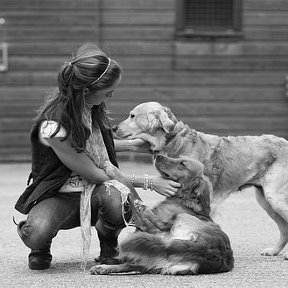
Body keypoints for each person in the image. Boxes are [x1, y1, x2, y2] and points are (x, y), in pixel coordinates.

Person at [14, 43, 181, 270]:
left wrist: (135, 144)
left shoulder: (90, 107)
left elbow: (95, 148)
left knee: (115, 199)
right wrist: (149, 182)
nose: (111, 96)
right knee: (37, 232)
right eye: (107, 92)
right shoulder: (52, 127)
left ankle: (108, 245)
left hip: (93, 193)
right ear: (85, 90)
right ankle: (40, 246)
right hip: (59, 194)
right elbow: (96, 172)